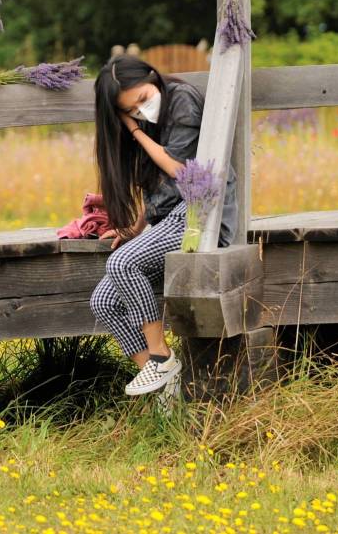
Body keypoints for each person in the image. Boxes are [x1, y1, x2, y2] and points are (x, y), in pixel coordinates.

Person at [89, 54, 237, 396]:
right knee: (104, 301)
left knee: (122, 263)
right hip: (170, 217)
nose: (143, 110)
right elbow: (158, 190)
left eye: (142, 100)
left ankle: (161, 357)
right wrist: (136, 228)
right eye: (133, 110)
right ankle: (165, 391)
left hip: (201, 211)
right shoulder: (145, 119)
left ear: (152, 77)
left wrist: (136, 130)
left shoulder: (180, 99)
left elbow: (178, 172)